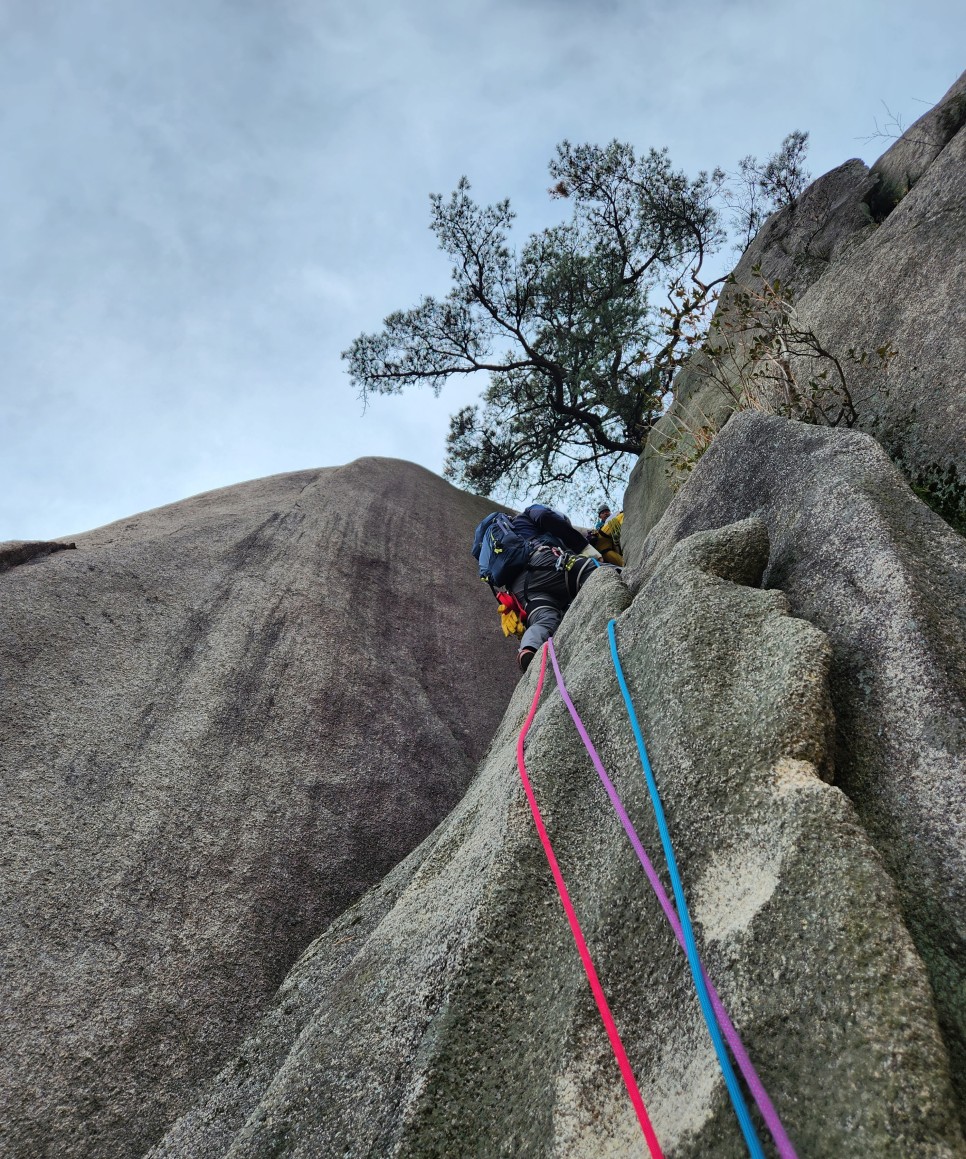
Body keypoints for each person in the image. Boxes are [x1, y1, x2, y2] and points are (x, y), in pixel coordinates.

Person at [483, 503, 605, 673]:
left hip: (520, 590)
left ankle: (529, 648)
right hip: (544, 562)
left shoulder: (497, 549)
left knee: (543, 619)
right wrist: (583, 547)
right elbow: (544, 516)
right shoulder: (529, 513)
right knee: (596, 572)